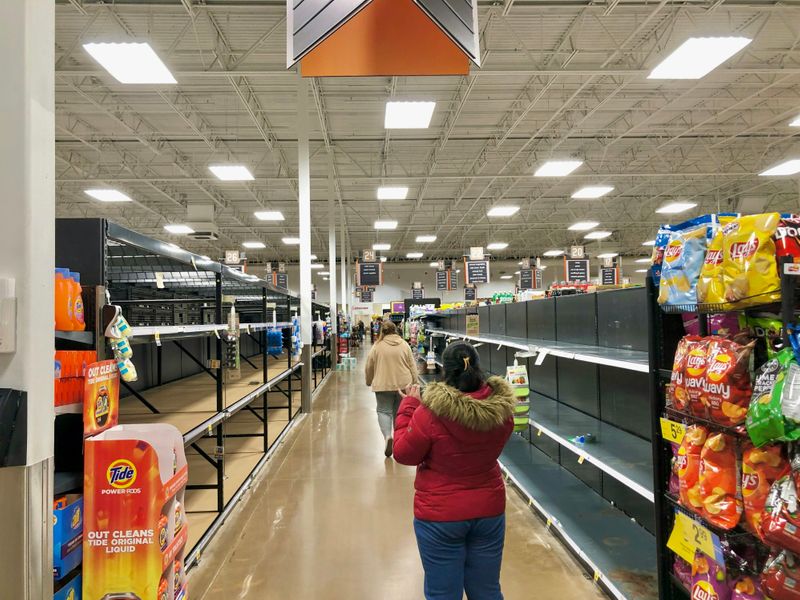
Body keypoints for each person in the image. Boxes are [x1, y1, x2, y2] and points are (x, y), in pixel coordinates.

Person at [393, 341, 515, 600]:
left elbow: (404, 453)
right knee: (487, 590)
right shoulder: (502, 411)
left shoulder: (430, 413)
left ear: (445, 372)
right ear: (478, 369)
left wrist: (409, 408)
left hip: (440, 514)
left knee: (443, 593)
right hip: (489, 509)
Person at [364, 321, 419, 457]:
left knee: (383, 411)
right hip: (404, 384)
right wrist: (415, 382)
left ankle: (387, 437)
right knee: (399, 413)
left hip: (383, 384)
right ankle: (399, 439)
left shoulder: (377, 346)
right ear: (396, 330)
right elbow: (412, 365)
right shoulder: (404, 344)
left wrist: (369, 381)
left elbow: (369, 366)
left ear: (382, 331)